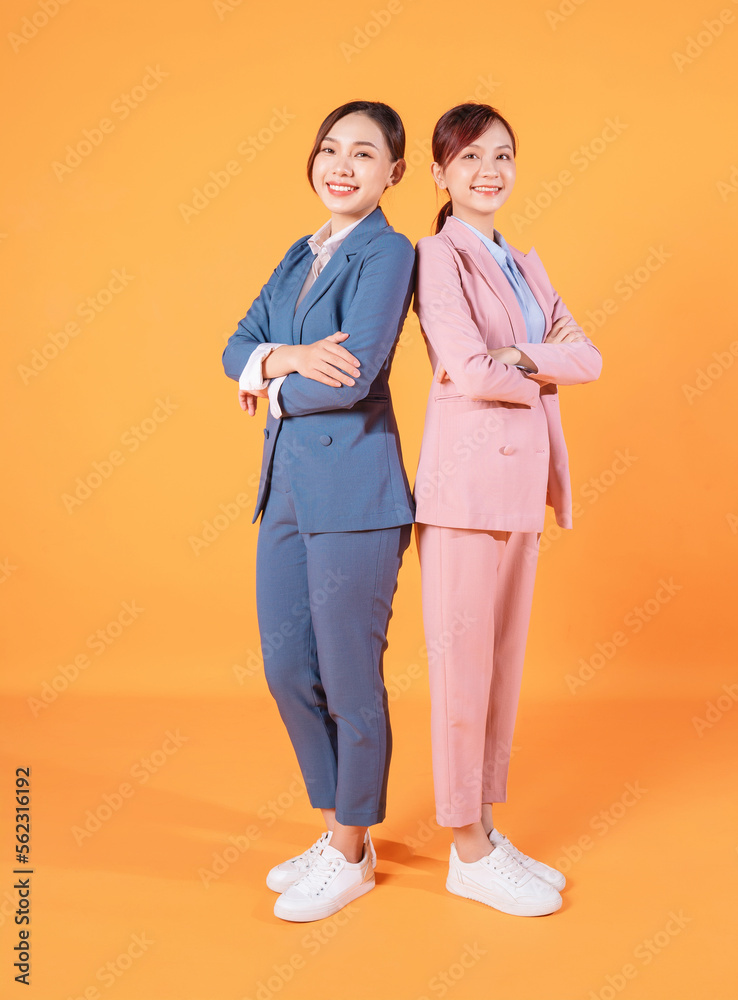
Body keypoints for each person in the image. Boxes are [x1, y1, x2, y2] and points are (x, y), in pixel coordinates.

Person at [222, 101, 415, 922]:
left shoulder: (388, 250)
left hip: (357, 494)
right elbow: (234, 342)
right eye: (330, 149)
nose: (341, 164)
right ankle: (340, 826)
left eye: (363, 154)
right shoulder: (299, 253)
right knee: (284, 669)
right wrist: (282, 357)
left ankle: (349, 845)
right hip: (288, 490)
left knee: (348, 679)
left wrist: (265, 382)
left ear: (392, 174)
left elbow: (357, 372)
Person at [413, 103, 603, 916]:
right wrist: (533, 366)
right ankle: (463, 848)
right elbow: (463, 366)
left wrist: (519, 355)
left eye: (502, 156)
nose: (488, 171)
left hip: (522, 484)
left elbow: (588, 356)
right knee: (460, 672)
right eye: (470, 159)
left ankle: (484, 829)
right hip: (462, 489)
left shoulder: (524, 264)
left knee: (500, 668)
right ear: (439, 175)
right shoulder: (436, 254)